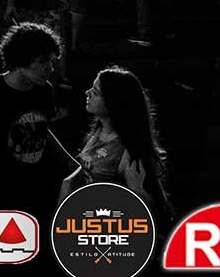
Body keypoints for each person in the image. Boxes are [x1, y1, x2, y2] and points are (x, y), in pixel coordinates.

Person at [0, 23, 65, 222]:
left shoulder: (45, 90)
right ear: (22, 59)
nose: (50, 68)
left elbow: (43, 133)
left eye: (52, 61)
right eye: (43, 61)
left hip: (35, 196)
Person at [61, 67, 169, 221]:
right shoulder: (98, 132)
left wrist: (136, 189)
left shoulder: (127, 151)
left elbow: (159, 211)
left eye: (96, 92)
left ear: (112, 102)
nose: (87, 93)